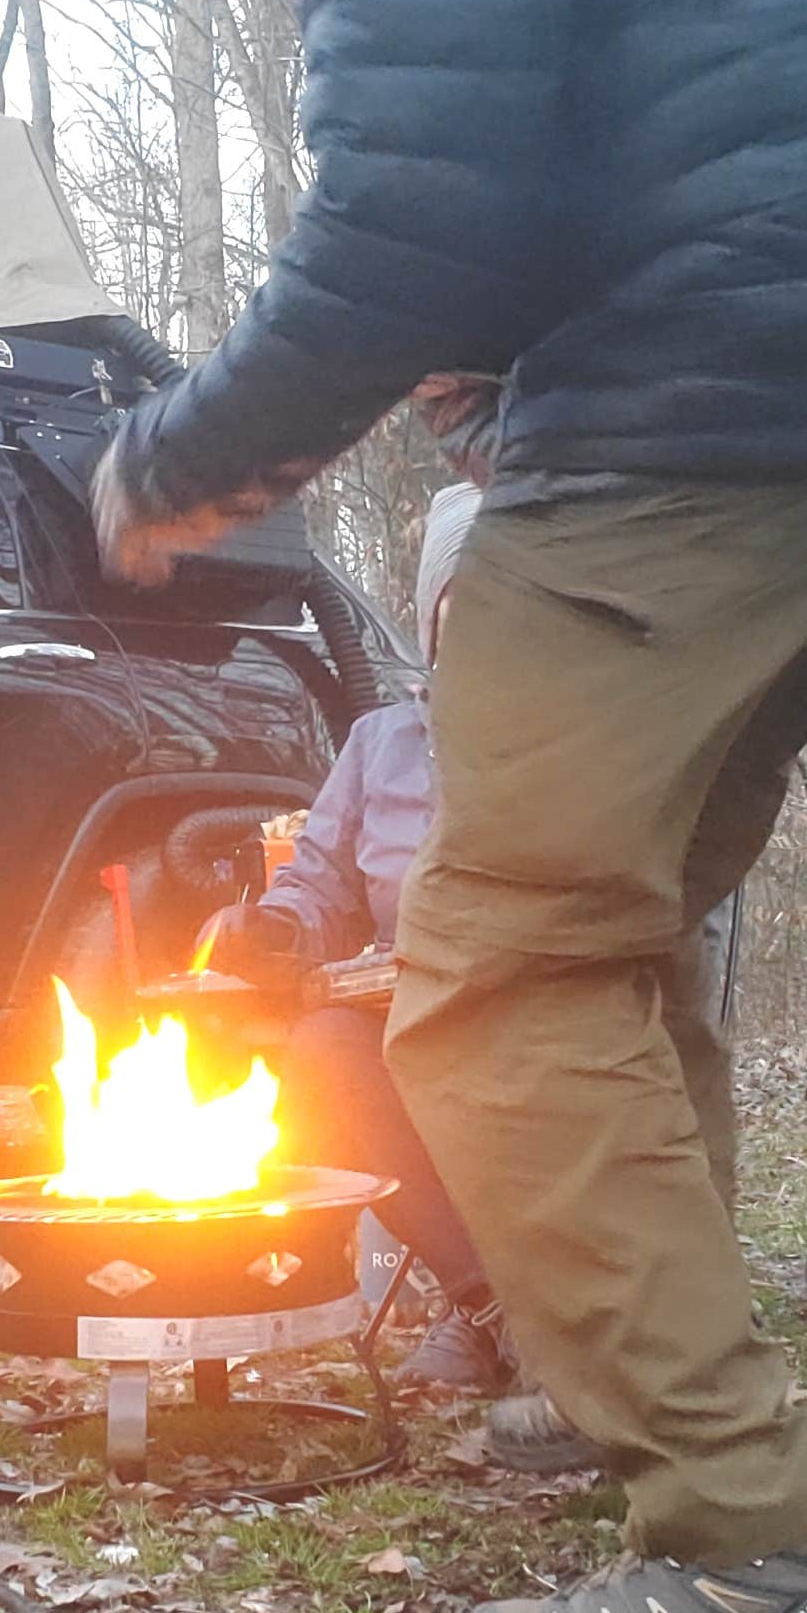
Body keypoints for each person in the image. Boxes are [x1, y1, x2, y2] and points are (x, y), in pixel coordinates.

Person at [95, 0, 807, 1613]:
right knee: (611, 926)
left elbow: (407, 214)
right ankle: (642, 1388)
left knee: (500, 968)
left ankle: (751, 1535)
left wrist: (174, 461)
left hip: (707, 380)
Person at [199, 484, 512, 1394]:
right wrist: (272, 929)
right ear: (433, 620)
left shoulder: (575, 747)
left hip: (536, 1011)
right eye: (465, 602)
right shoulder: (381, 743)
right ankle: (489, 1306)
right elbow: (320, 886)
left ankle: (544, 1312)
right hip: (399, 1009)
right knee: (323, 1056)